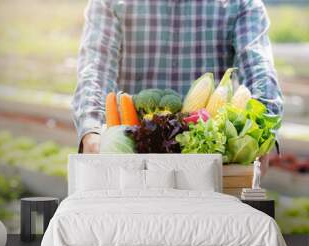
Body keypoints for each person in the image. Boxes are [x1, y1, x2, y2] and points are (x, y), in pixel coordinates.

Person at [72, 0, 282, 174]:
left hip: (208, 165)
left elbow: (259, 68)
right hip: (131, 165)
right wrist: (92, 130)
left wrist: (262, 133)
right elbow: (96, 68)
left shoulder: (240, 4)